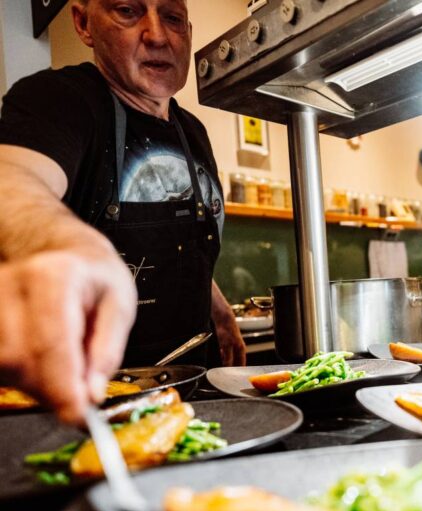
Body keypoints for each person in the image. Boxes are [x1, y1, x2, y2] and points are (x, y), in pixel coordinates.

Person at [0, 0, 245, 422]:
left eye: (171, 18)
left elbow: (180, 241)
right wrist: (73, 243)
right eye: (129, 11)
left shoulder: (192, 131)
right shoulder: (60, 101)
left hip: (194, 386)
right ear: (83, 23)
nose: (157, 35)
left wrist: (218, 308)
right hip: (94, 403)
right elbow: (14, 182)